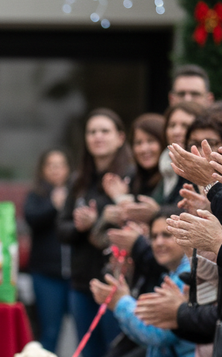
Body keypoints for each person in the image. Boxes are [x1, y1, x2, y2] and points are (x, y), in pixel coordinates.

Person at [58, 108, 134, 357]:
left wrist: (99, 220)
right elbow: (62, 229)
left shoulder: (130, 177)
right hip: (82, 283)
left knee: (116, 351)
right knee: (87, 351)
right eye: (92, 132)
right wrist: (81, 227)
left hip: (117, 283)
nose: (97, 137)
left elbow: (135, 227)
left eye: (104, 131)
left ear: (120, 137)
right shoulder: (78, 180)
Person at [90, 207, 194, 357]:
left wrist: (120, 302)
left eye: (167, 235)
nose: (159, 242)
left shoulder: (188, 274)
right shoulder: (172, 273)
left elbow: (158, 333)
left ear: (186, 236)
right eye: (154, 236)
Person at [25, 149, 73, 353]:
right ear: (42, 169)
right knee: (50, 332)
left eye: (60, 165)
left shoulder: (77, 194)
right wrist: (54, 205)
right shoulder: (36, 195)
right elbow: (31, 219)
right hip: (46, 274)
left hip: (76, 276)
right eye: (51, 165)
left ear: (68, 169)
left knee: (82, 331)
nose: (56, 170)